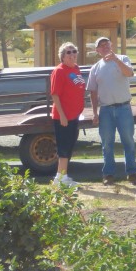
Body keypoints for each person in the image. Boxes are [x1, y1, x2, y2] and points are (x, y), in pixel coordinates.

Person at [87, 37, 136, 184]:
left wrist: (116, 59)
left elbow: (129, 73)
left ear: (111, 45)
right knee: (107, 144)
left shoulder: (123, 58)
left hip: (124, 108)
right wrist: (95, 113)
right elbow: (93, 92)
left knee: (128, 141)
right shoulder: (96, 68)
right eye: (101, 46)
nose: (104, 47)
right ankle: (108, 174)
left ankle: (132, 172)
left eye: (106, 44)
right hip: (106, 110)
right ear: (97, 50)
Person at [50, 41, 87, 186]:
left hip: (74, 115)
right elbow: (55, 95)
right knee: (64, 147)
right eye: (68, 52)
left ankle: (62, 177)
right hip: (63, 117)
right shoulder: (59, 71)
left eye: (74, 51)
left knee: (70, 145)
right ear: (63, 56)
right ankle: (59, 179)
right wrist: (62, 116)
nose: (72, 55)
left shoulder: (76, 69)